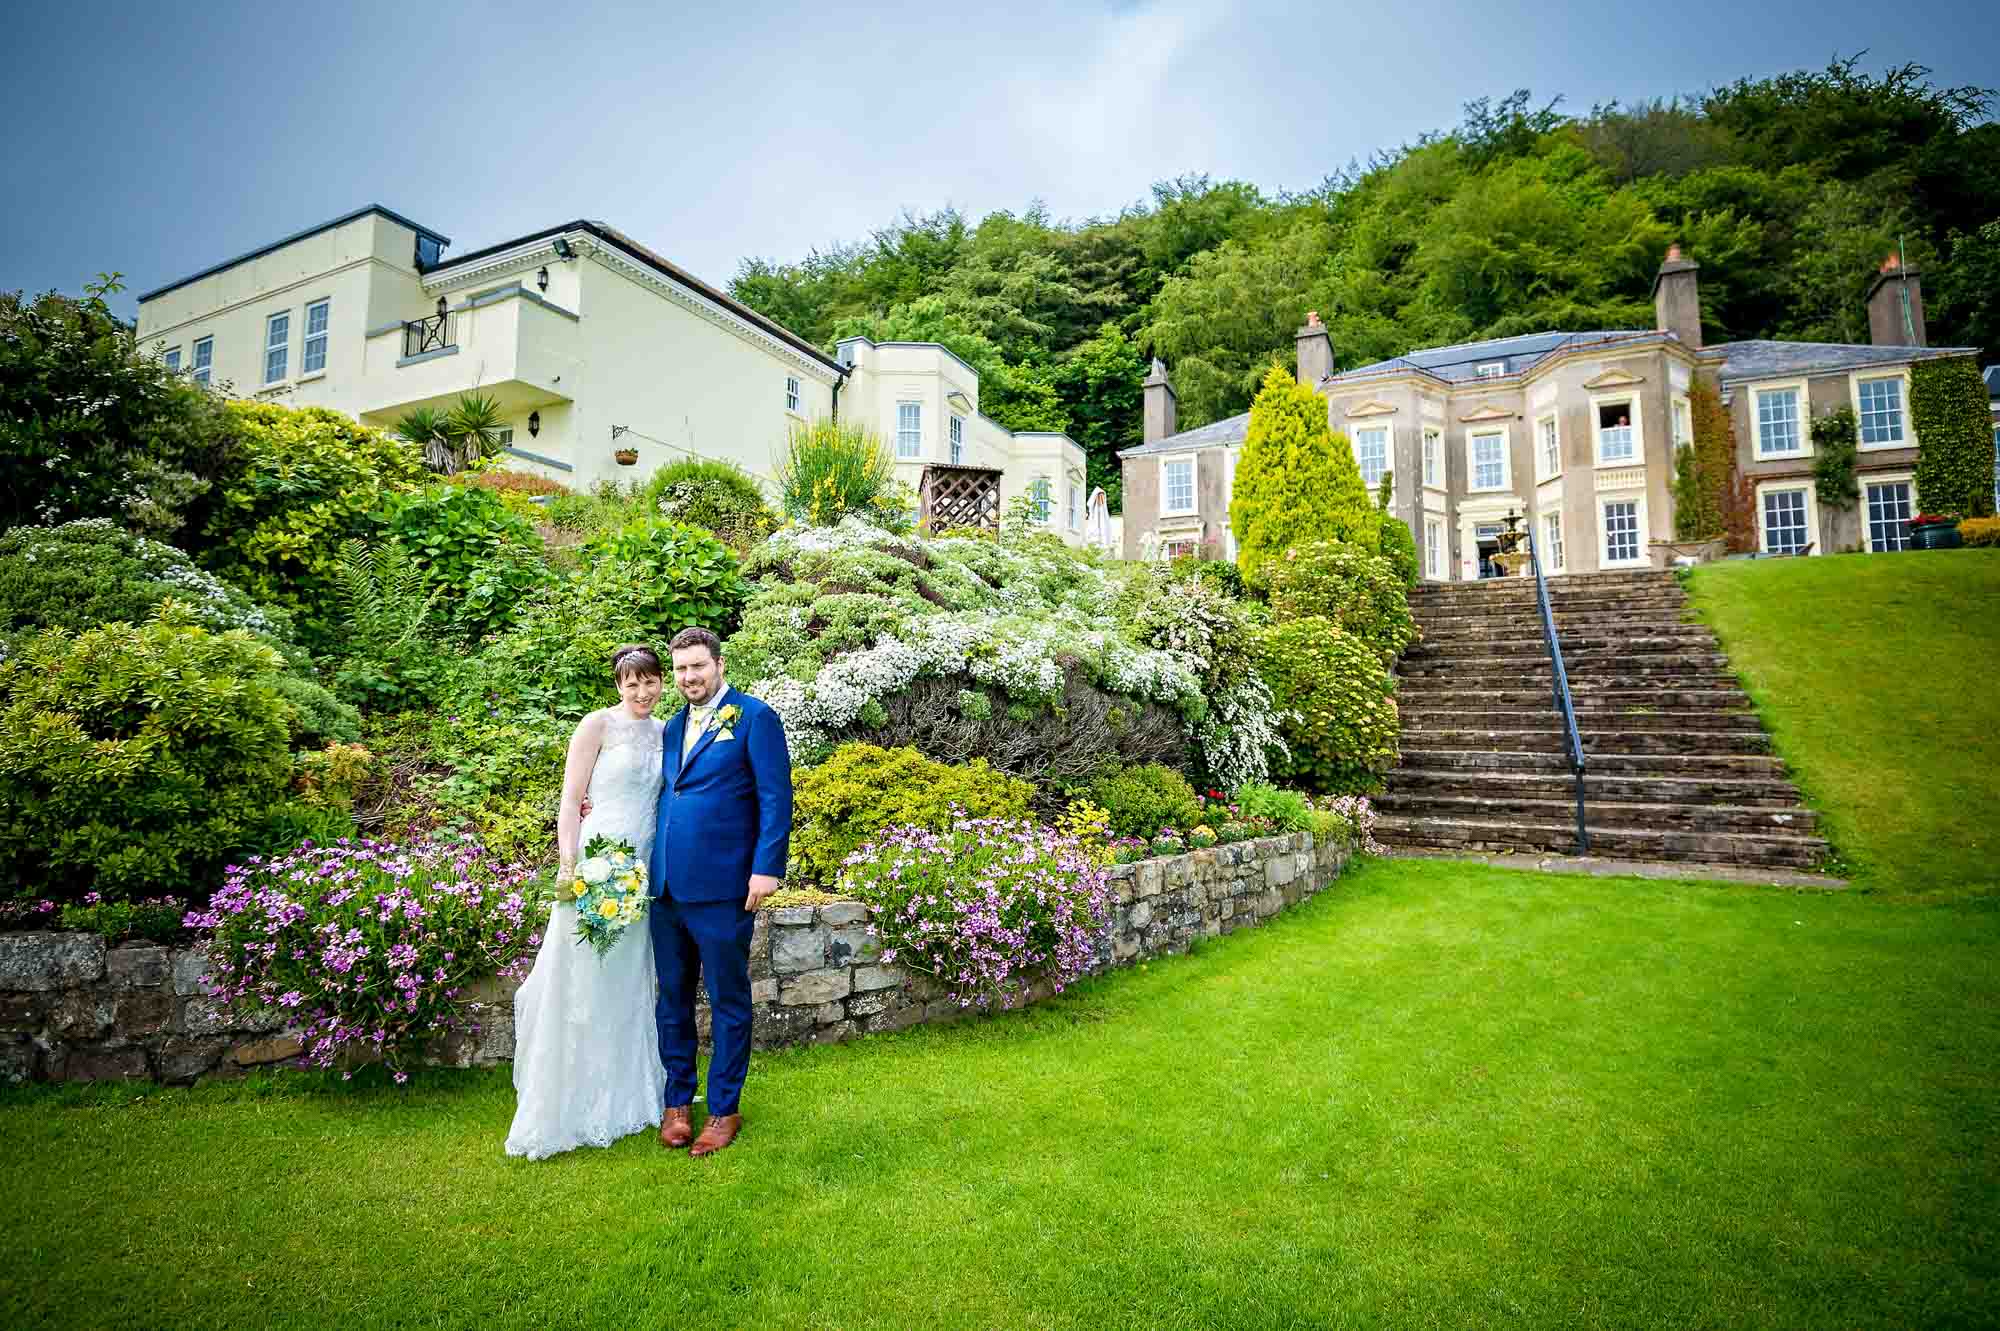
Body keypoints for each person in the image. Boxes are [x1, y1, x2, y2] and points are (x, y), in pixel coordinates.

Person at [505, 645, 669, 1160]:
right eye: (631, 684)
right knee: (582, 977)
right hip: (597, 865)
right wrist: (571, 867)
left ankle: (630, 1093)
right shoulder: (596, 725)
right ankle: (569, 1097)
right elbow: (570, 801)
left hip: (640, 871)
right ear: (618, 686)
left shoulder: (666, 732)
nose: (641, 693)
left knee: (626, 979)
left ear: (660, 682)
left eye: (649, 682)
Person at [650, 625, 792, 1157]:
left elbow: (776, 798)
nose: (690, 677)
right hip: (665, 888)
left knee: (729, 1001)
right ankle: (677, 1102)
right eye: (682, 669)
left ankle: (724, 1109)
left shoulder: (755, 718)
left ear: (719, 666)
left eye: (698, 667)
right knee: (672, 1001)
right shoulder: (669, 728)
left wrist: (766, 867)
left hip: (726, 886)